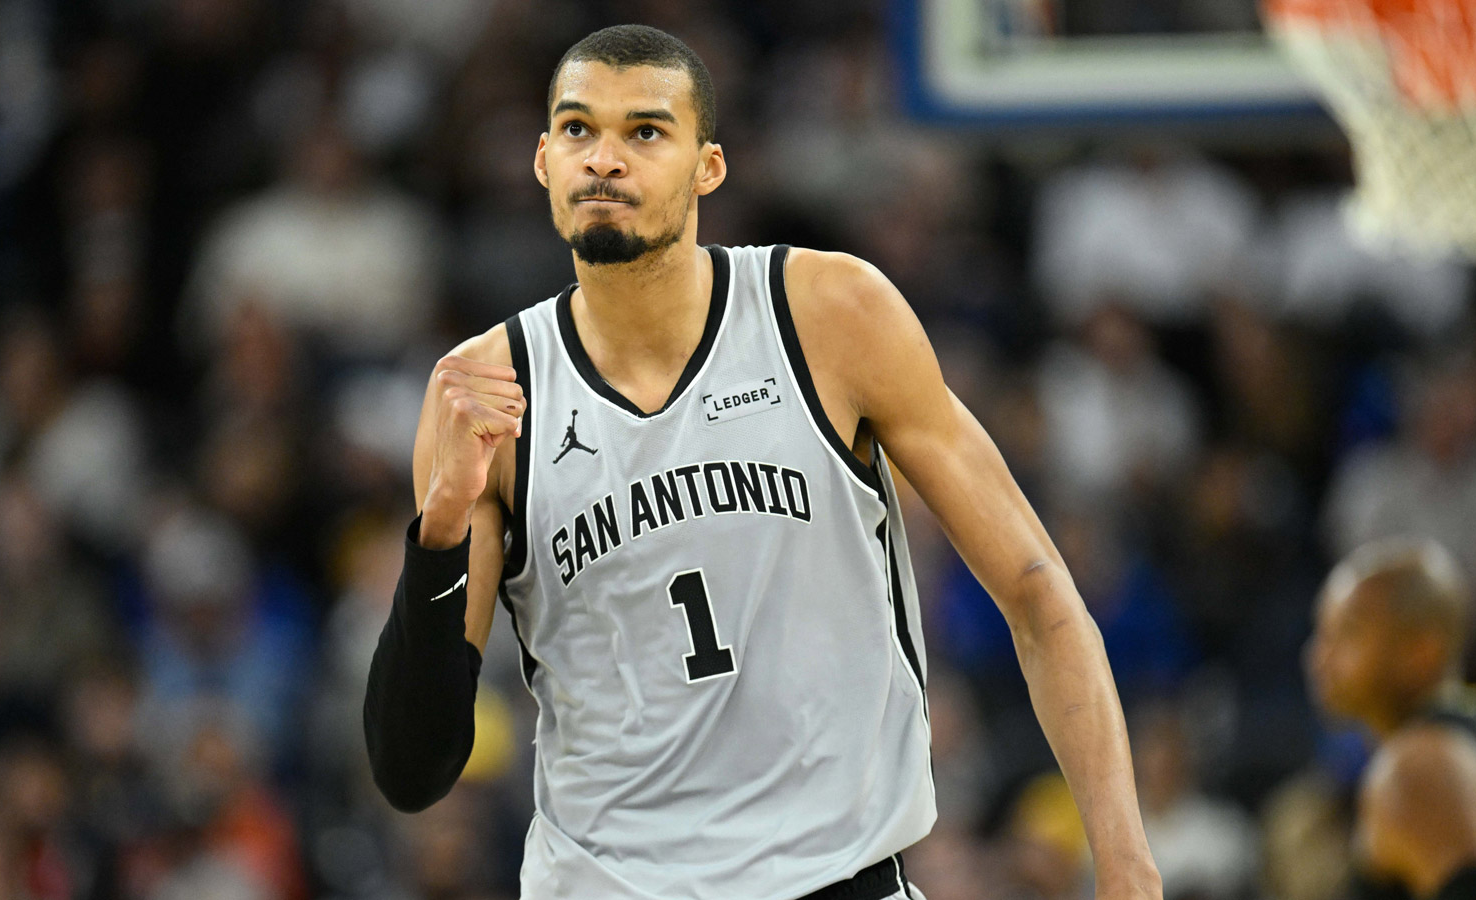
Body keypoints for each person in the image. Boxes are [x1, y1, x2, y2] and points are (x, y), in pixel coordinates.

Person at [364, 24, 1162, 900]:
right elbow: (413, 770)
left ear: (709, 166)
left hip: (837, 878)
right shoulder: (491, 390)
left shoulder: (830, 314)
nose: (605, 159)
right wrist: (439, 529)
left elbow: (1038, 592)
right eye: (579, 129)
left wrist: (1124, 862)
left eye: (645, 132)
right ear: (543, 160)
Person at [1305, 538, 1476, 900]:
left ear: (1421, 651)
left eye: (1349, 633)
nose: (1319, 657)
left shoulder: (1417, 768)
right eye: (1322, 633)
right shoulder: (1461, 736)